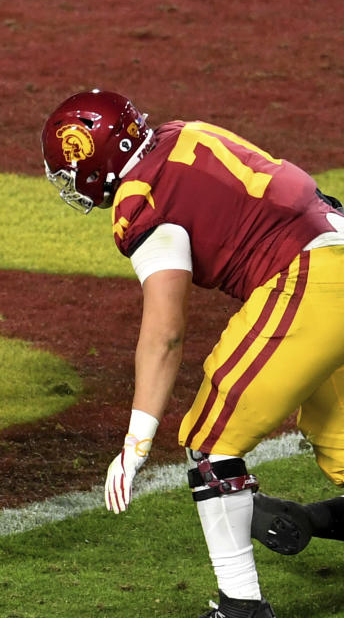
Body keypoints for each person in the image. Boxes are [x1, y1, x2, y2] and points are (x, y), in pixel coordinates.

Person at [40, 89, 344, 618]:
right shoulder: (184, 132)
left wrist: (137, 440)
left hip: (308, 280)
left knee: (209, 442)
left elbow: (165, 332)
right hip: (335, 242)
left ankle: (241, 607)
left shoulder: (142, 202)